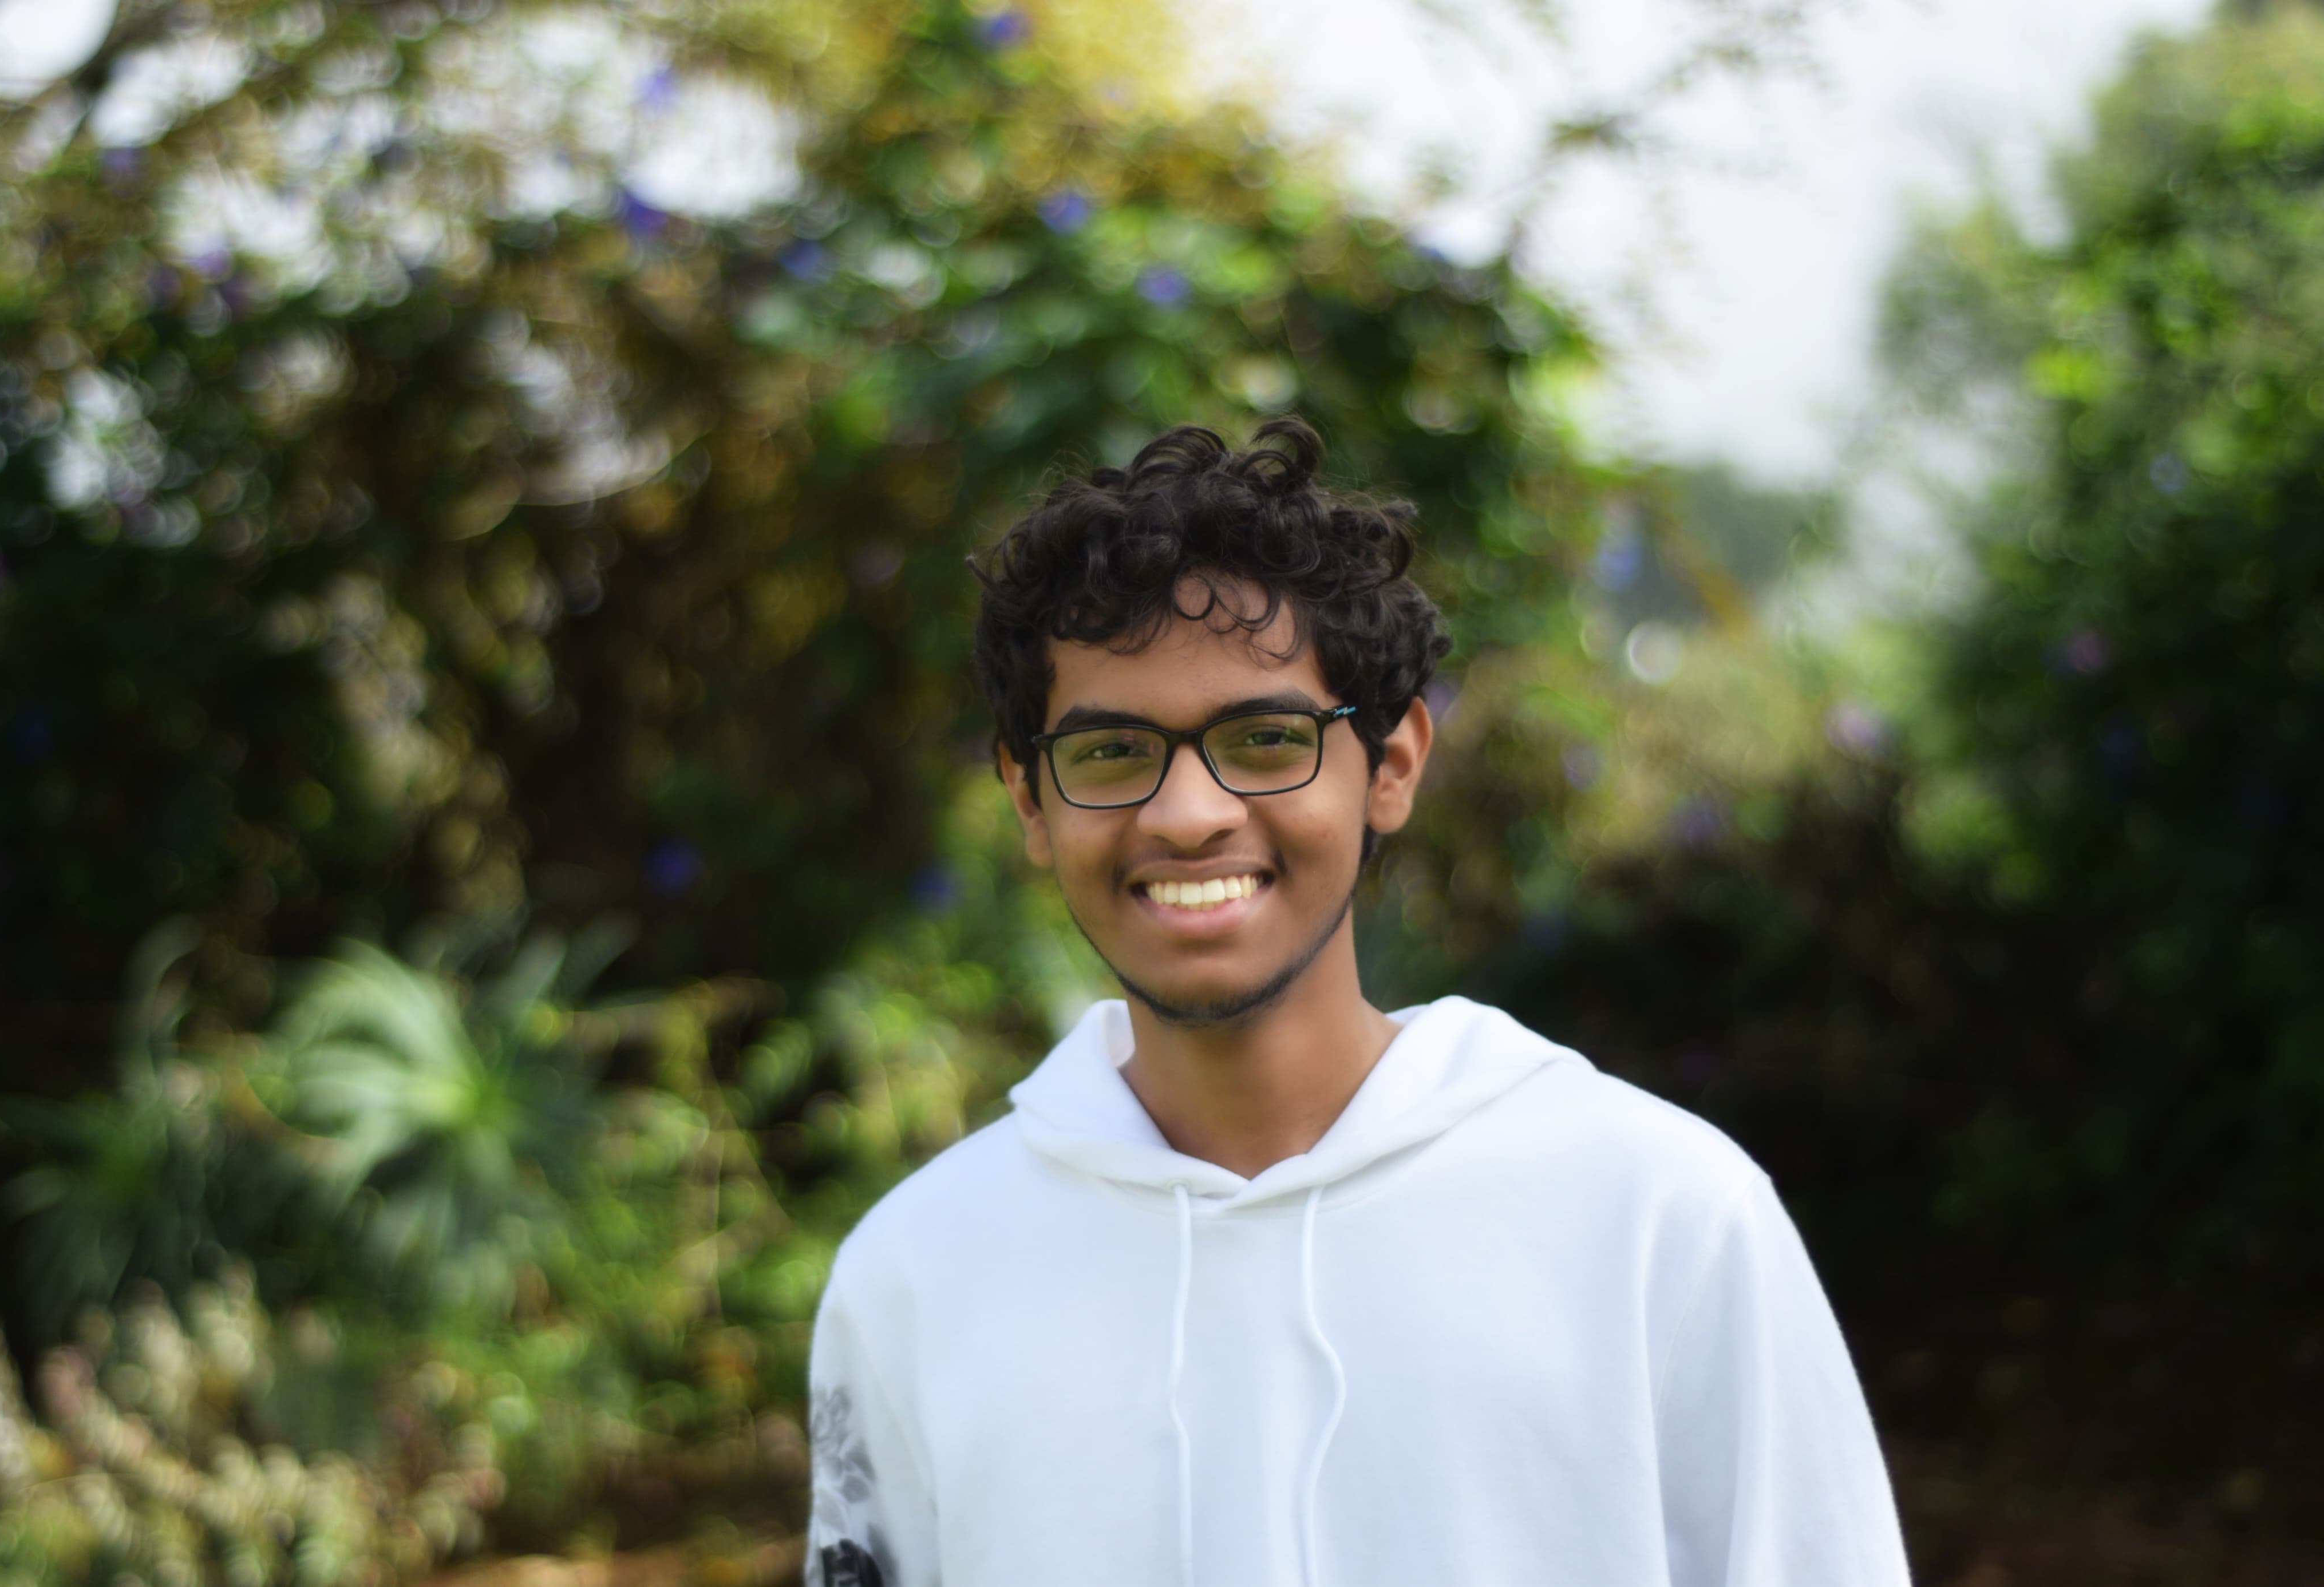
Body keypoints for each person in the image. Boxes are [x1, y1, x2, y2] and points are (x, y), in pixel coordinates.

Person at [804, 419, 1908, 1587]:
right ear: (1028, 798)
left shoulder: (1660, 1218)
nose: (1187, 813)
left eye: (1265, 738)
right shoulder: (915, 1274)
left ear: (1390, 766)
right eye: (1113, 752)